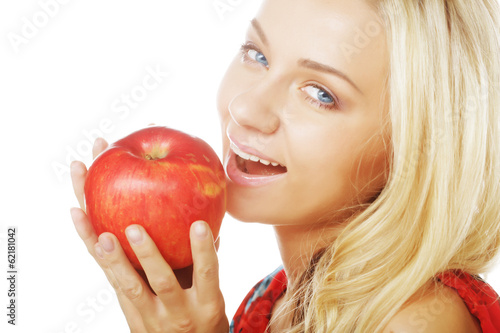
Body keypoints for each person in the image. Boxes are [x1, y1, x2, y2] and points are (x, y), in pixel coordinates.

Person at [69, 0, 500, 332]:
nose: (247, 107)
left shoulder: (414, 321)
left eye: (320, 94)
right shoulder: (274, 300)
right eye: (257, 55)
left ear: (415, 150)